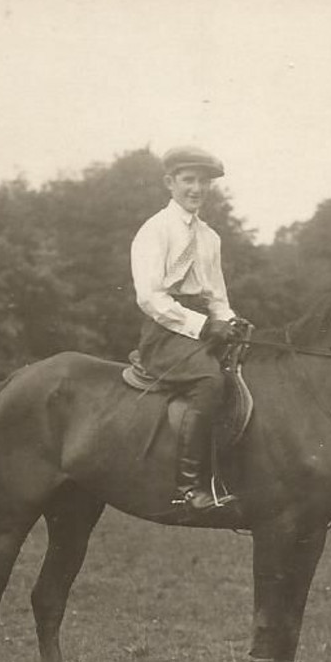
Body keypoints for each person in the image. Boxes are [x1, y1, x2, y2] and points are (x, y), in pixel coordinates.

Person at [130, 145, 251, 512]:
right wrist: (202, 327)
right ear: (170, 183)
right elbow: (150, 297)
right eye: (188, 180)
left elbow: (216, 295)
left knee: (249, 370)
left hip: (203, 327)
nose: (196, 188)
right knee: (209, 381)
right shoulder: (156, 230)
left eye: (203, 182)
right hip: (166, 330)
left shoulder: (209, 238)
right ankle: (187, 486)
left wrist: (230, 323)